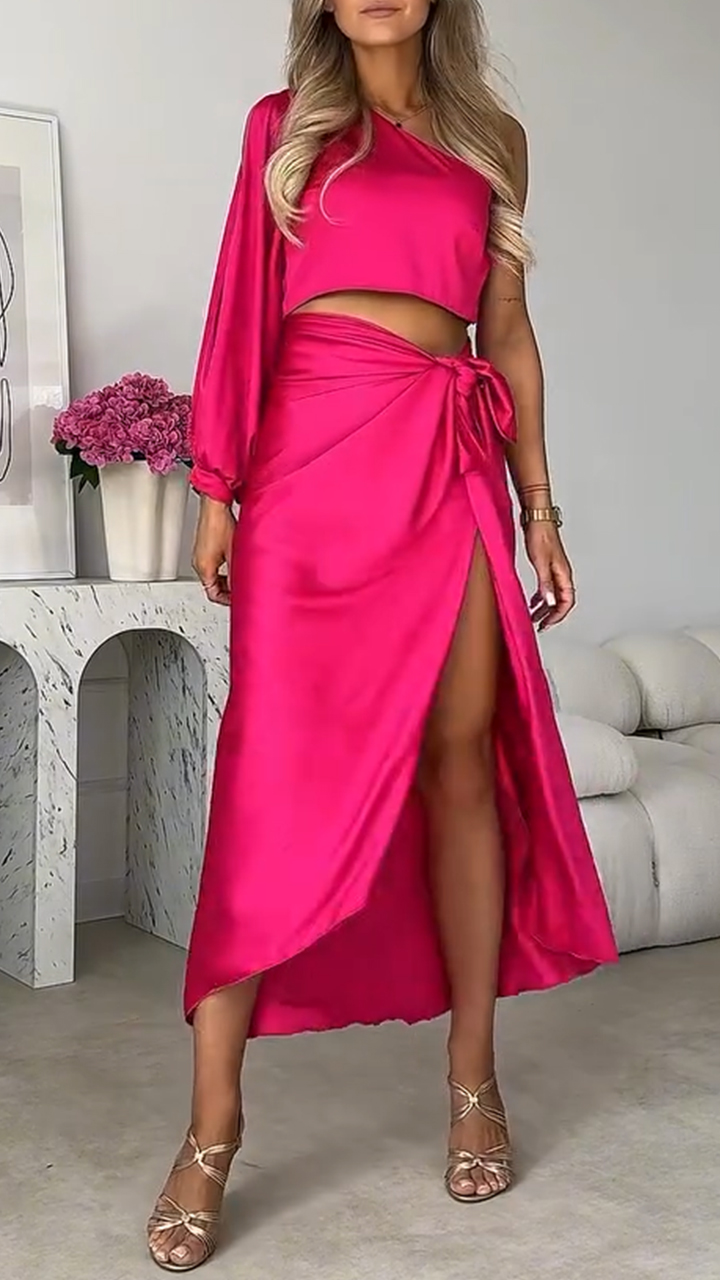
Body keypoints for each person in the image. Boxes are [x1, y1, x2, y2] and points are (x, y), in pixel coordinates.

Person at [147, 0, 618, 1270]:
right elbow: (241, 304)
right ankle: (211, 1125)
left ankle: (474, 1079)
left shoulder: (493, 139)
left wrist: (539, 507)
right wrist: (216, 487)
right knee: (267, 779)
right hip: (311, 461)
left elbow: (505, 330)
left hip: (449, 457)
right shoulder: (284, 128)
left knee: (462, 761)